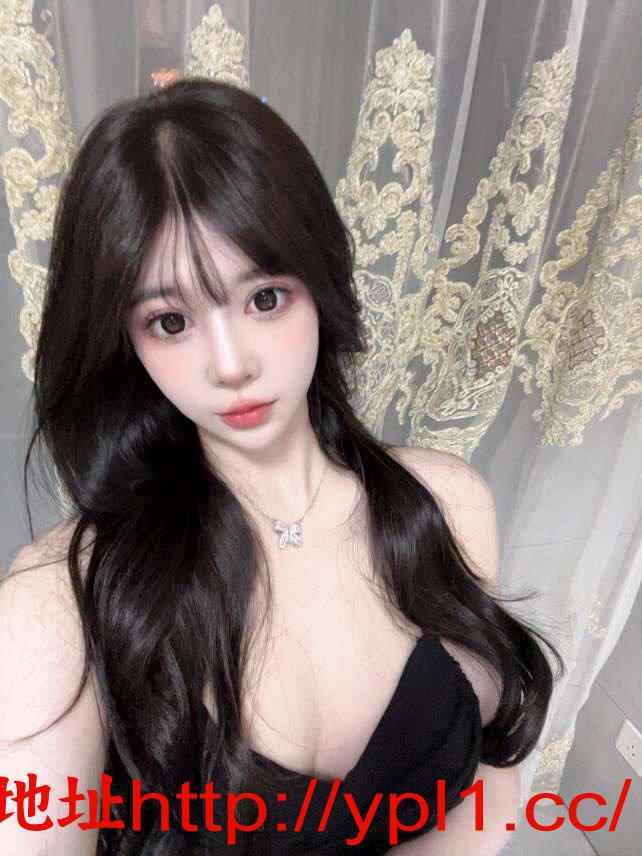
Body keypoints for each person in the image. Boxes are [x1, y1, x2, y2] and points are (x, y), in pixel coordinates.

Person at [0, 77, 563, 855]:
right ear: (124, 339)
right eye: (171, 320)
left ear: (319, 283)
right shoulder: (60, 602)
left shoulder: (448, 504)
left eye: (265, 298)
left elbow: (492, 791)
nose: (232, 364)